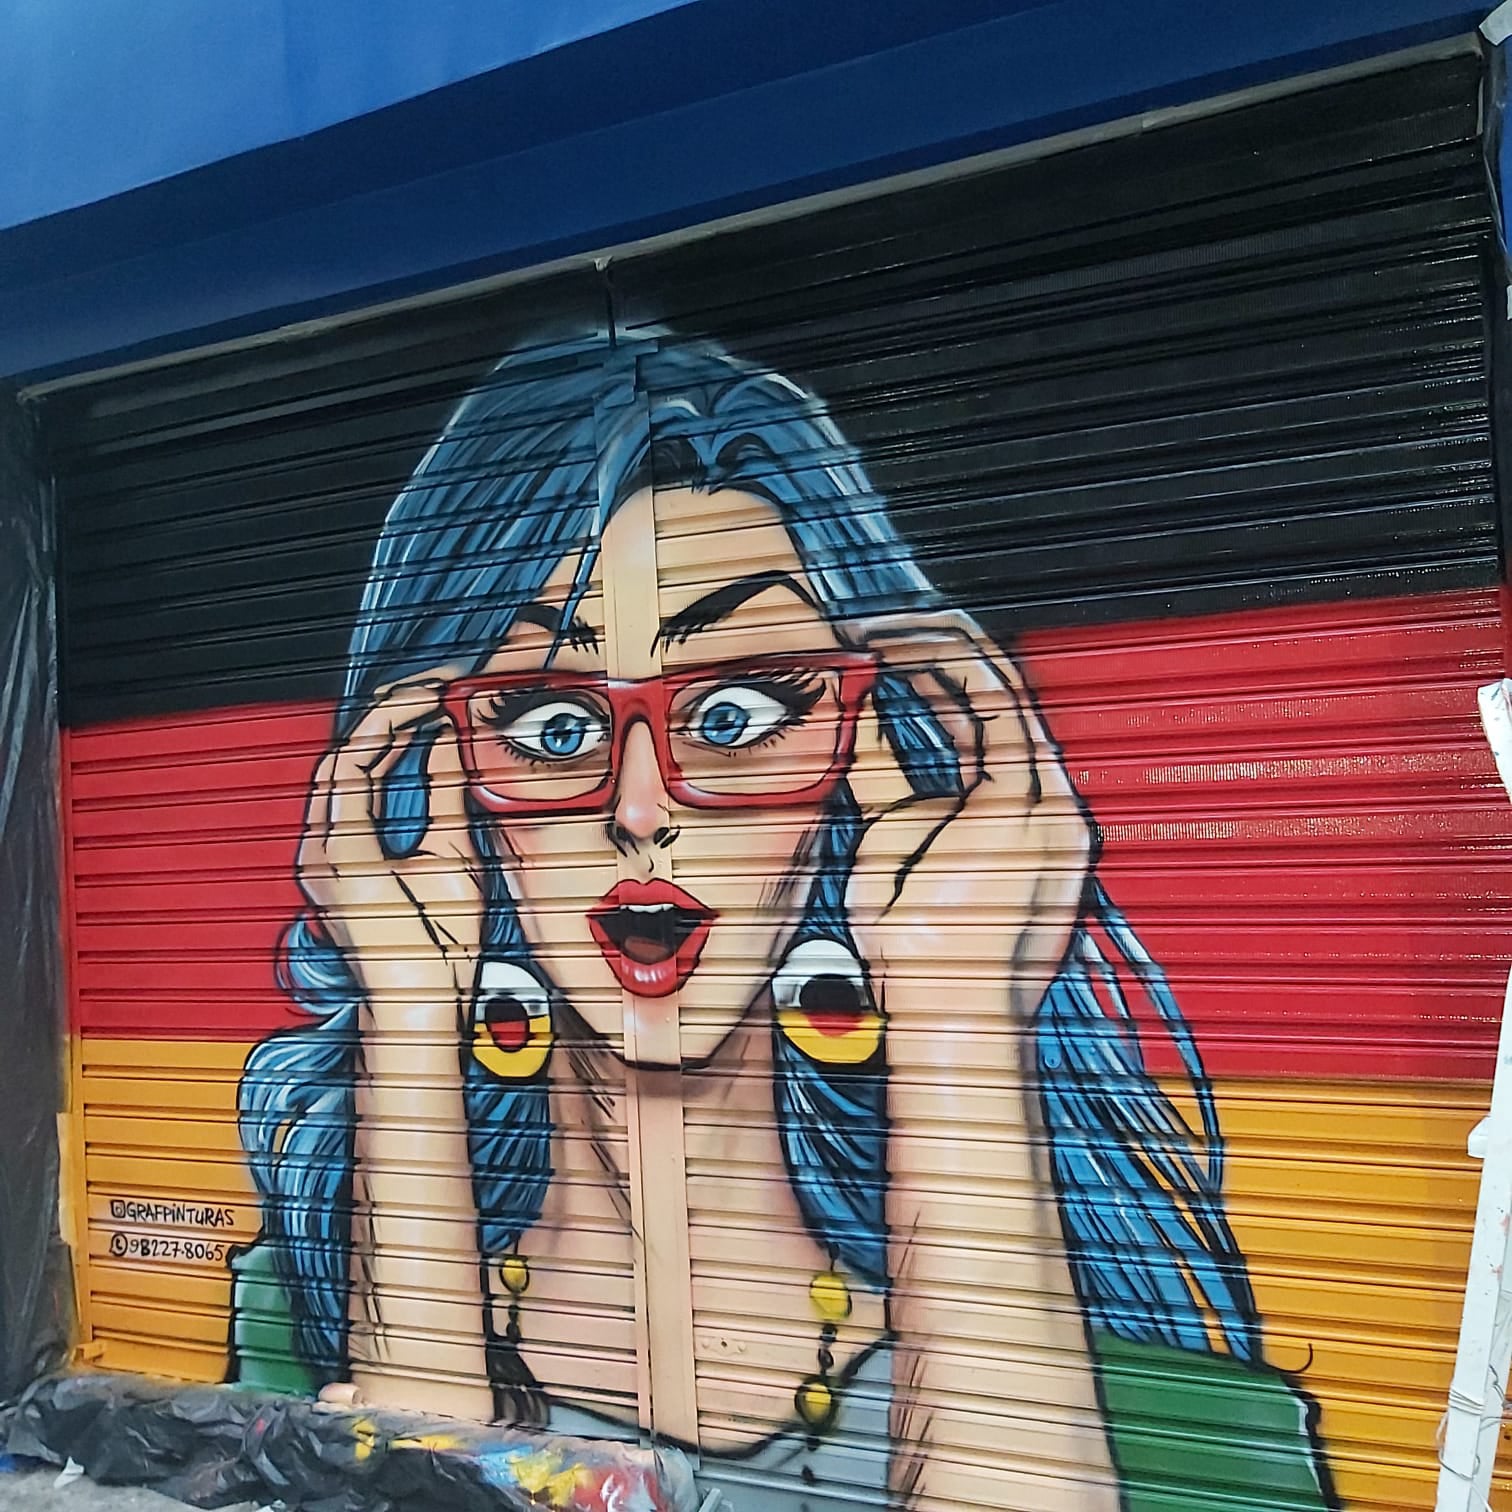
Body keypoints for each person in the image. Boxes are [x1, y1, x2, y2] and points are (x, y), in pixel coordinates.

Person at [230, 335, 1336, 1510]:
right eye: (555, 725)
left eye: (737, 713)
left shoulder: (1188, 1424)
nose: (640, 813)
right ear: (438, 772)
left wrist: (958, 1002)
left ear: (867, 748)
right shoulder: (302, 1311)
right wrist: (407, 1006)